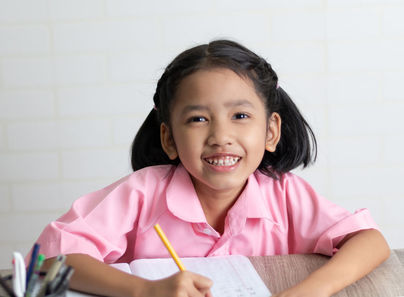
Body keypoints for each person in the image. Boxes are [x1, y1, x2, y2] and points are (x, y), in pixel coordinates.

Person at [34, 39, 390, 297]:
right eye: (198, 119)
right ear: (169, 138)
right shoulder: (141, 193)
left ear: (270, 131)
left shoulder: (284, 194)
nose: (221, 136)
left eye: (240, 116)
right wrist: (146, 291)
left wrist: (309, 291)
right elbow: (52, 259)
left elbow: (370, 241)